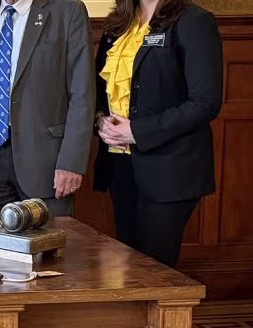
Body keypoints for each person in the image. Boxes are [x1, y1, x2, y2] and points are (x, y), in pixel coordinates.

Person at [93, 0, 222, 268]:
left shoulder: (193, 21)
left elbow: (205, 103)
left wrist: (136, 131)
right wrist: (100, 121)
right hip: (121, 166)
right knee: (126, 265)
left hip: (171, 170)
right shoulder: (117, 23)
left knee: (153, 267)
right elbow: (97, 91)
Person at [0, 0, 95, 219]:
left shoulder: (68, 12)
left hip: (47, 164)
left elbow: (82, 94)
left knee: (48, 249)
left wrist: (71, 162)